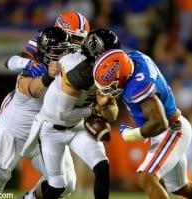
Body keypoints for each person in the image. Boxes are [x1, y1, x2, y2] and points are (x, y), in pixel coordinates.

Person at [0, 27, 76, 199]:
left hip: (43, 131)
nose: (63, 55)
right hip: (17, 126)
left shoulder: (74, 61)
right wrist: (39, 71)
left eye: (66, 50)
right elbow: (29, 85)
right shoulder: (34, 65)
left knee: (65, 184)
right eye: (58, 51)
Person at [92, 49, 192, 199]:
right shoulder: (135, 57)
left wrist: (132, 134)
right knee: (181, 187)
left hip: (171, 131)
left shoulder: (137, 87)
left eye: (110, 86)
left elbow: (160, 122)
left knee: (147, 177)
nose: (109, 90)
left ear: (121, 76)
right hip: (170, 130)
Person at [20, 28, 121, 199]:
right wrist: (94, 109)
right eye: (108, 53)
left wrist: (104, 105)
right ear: (96, 53)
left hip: (77, 125)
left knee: (102, 167)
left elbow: (112, 115)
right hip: (52, 128)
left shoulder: (107, 70)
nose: (112, 59)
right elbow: (63, 114)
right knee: (59, 186)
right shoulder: (77, 69)